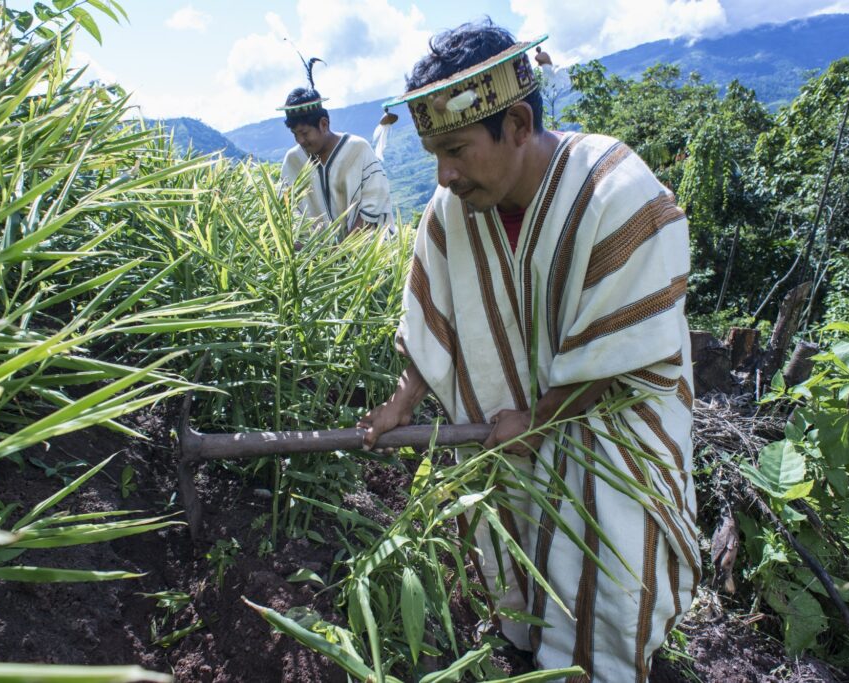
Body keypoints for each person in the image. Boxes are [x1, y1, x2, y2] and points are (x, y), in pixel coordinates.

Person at [358, 21, 699, 682]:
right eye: (434, 153)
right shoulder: (451, 209)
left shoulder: (617, 193)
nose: (444, 173)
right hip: (510, 441)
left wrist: (540, 419)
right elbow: (434, 309)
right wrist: (403, 400)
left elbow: (619, 340)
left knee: (607, 590)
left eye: (455, 149)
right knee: (524, 586)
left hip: (610, 440)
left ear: (517, 123)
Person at [279, 87, 394, 238]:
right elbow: (287, 209)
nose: (300, 141)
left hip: (366, 250)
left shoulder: (357, 149)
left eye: (304, 133)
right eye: (295, 134)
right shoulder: (293, 160)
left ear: (324, 124)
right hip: (318, 257)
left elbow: (375, 199)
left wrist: (344, 249)